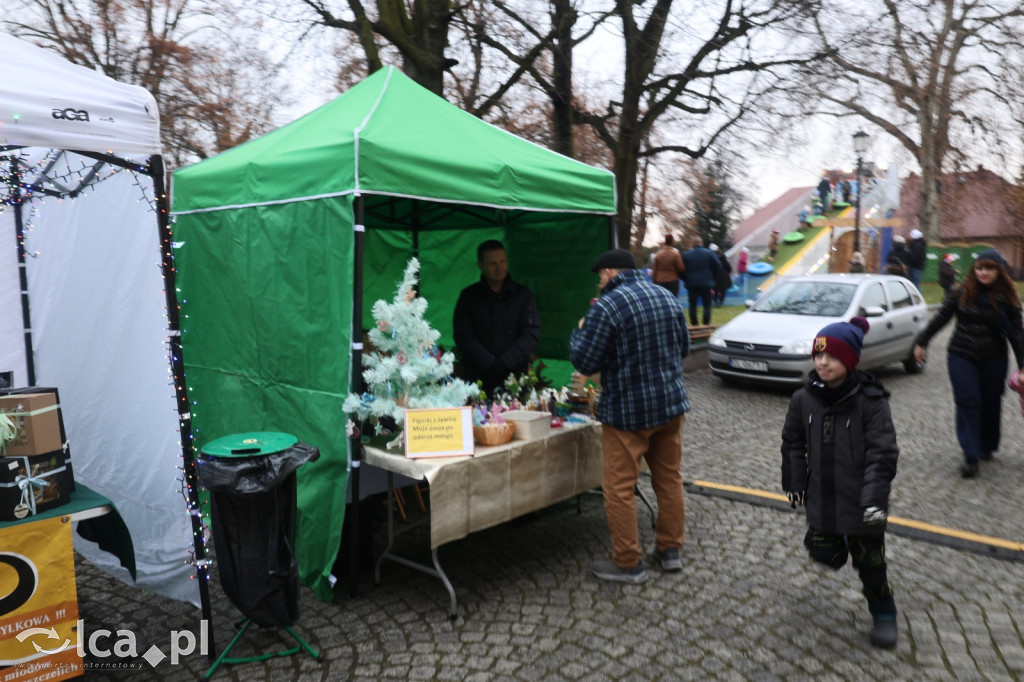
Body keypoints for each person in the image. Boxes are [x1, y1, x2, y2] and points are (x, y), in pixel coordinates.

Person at [569, 248, 690, 584]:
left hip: (628, 413)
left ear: (609, 272)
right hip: (670, 406)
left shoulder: (607, 306)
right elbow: (682, 350)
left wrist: (580, 329)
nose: (599, 283)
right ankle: (669, 550)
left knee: (619, 487)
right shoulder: (666, 297)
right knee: (669, 479)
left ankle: (627, 563)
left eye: (600, 277)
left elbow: (585, 361)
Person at [781, 316, 900, 649]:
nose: (822, 362)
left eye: (831, 356)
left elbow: (883, 453)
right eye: (818, 355)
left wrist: (875, 499)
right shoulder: (803, 398)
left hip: (862, 502)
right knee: (822, 551)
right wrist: (794, 481)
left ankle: (884, 612)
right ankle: (834, 546)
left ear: (849, 359)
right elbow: (792, 441)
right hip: (822, 495)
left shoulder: (871, 401)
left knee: (870, 562)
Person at [912, 249, 1024, 478]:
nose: (983, 272)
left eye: (989, 268)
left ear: (999, 271)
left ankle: (987, 445)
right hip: (961, 354)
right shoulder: (960, 292)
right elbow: (941, 318)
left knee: (991, 402)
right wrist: (921, 342)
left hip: (994, 356)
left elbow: (1017, 333)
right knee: (968, 401)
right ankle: (970, 456)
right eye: (980, 268)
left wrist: (1022, 365)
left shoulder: (1008, 297)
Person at [453, 239, 540, 395]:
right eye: (492, 263)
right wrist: (489, 363)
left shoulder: (523, 295)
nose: (499, 268)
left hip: (515, 379)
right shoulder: (468, 296)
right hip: (477, 380)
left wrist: (505, 363)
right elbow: (463, 336)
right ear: (481, 265)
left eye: (502, 262)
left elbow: (530, 334)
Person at [681, 236, 721, 326]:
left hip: (692, 284)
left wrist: (686, 278)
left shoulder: (686, 255)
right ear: (701, 243)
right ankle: (706, 323)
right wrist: (712, 276)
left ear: (692, 244)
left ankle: (694, 324)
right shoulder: (709, 253)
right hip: (706, 283)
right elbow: (718, 266)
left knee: (692, 305)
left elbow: (681, 270)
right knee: (707, 305)